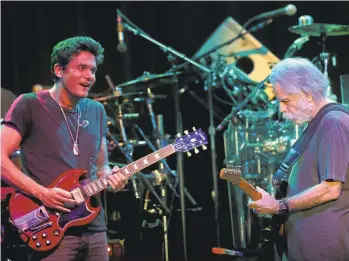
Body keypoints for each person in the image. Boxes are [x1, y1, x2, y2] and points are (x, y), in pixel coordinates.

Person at [1, 36, 128, 261]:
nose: (90, 76)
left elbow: (102, 168)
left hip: (95, 228)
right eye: (82, 68)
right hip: (49, 227)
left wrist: (114, 180)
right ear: (59, 70)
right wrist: (43, 193)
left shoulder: (96, 110)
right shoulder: (29, 104)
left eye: (93, 70)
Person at [247, 57, 349, 261]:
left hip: (324, 250)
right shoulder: (320, 123)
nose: (282, 109)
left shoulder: (333, 122)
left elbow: (330, 189)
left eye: (286, 100)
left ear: (309, 95)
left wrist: (279, 206)